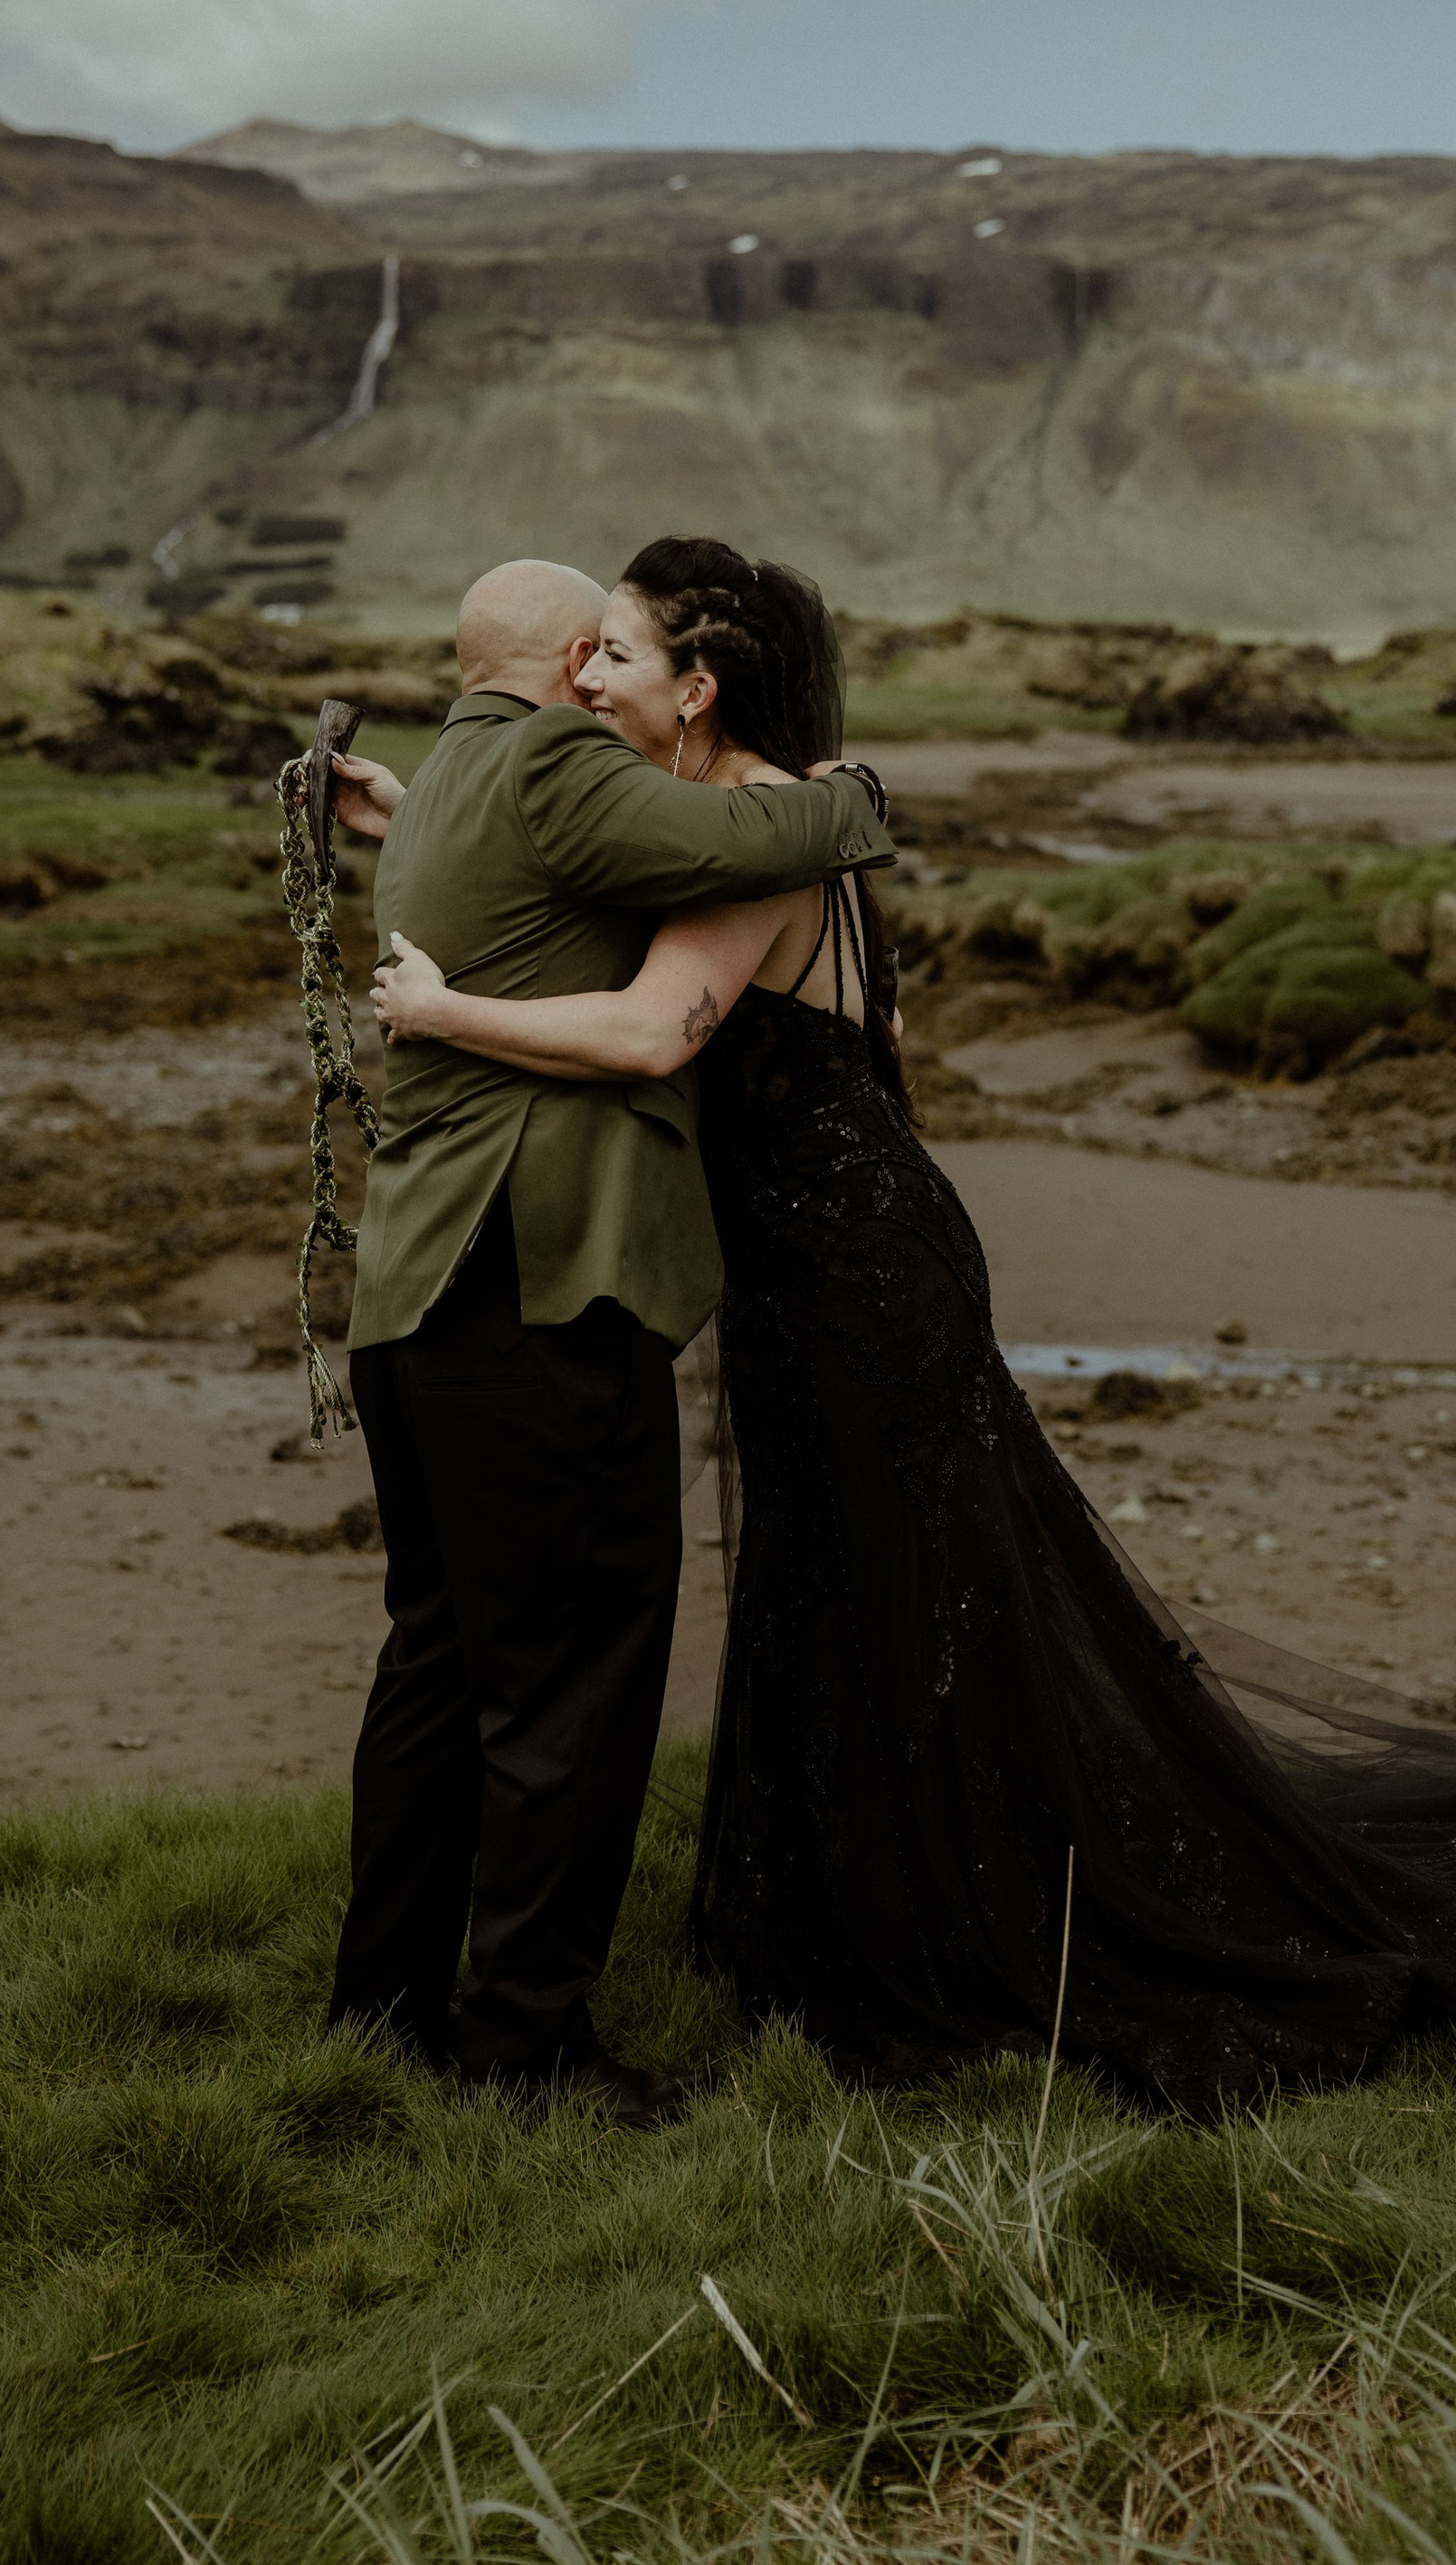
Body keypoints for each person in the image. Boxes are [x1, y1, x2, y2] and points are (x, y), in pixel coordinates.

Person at [371, 538, 1456, 2118]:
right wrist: (426, 813)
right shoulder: (715, 815)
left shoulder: (773, 827)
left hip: (852, 1276)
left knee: (913, 1601)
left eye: (623, 652)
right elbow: (611, 890)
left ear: (705, 683)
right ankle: (878, 1904)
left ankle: (965, 1923)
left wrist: (443, 1005)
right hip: (836, 1263)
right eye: (580, 652)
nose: (592, 680)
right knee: (879, 1601)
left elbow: (665, 1023)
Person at [322, 553, 895, 2127]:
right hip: (540, 1287)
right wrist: (855, 792)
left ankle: (380, 2014)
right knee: (572, 1677)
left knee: (439, 1661)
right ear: (577, 657)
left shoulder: (441, 778)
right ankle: (526, 2046)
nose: (604, 678)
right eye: (606, 650)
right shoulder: (561, 759)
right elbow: (756, 835)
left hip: (415, 1296)